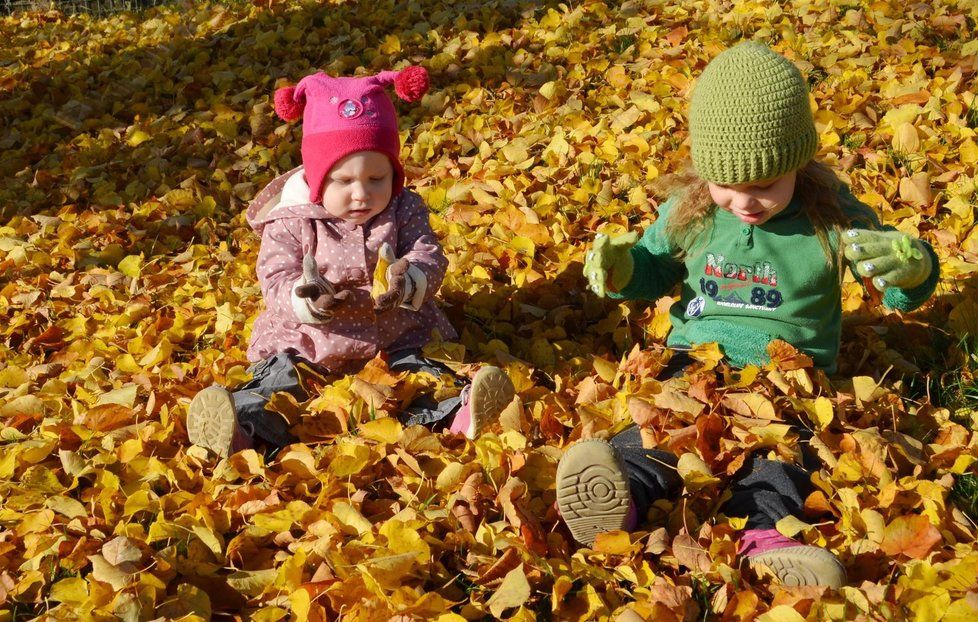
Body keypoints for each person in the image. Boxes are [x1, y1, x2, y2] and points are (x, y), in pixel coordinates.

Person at [559, 41, 939, 589]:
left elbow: (894, 284)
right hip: (696, 357)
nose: (744, 203)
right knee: (660, 428)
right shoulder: (689, 211)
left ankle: (767, 537)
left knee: (781, 453)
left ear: (798, 163)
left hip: (790, 372)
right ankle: (620, 493)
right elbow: (654, 268)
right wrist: (623, 268)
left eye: (764, 186)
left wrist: (913, 267)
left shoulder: (829, 214)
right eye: (726, 187)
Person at [186, 67, 515, 457]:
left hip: (394, 334)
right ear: (316, 177)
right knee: (280, 382)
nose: (362, 194)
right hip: (308, 344)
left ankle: (458, 414)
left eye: (377, 178)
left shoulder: (403, 208)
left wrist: (409, 277)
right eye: (343, 181)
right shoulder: (293, 219)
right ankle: (242, 427)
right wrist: (304, 299)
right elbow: (275, 275)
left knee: (418, 378)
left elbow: (428, 252)